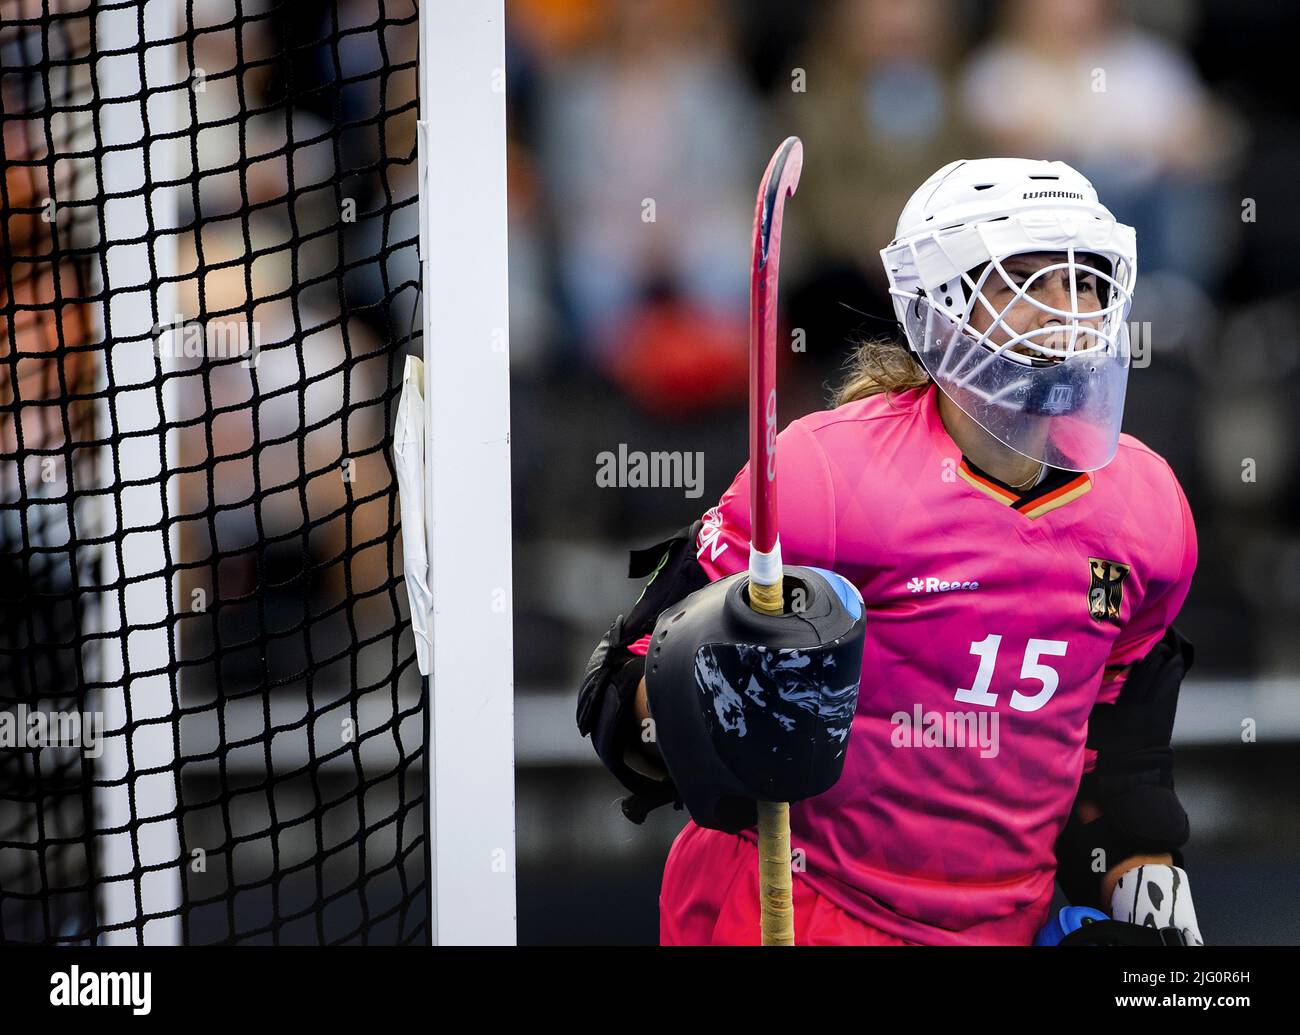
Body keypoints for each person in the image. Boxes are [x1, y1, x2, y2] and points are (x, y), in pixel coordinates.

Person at [577, 157, 1204, 946]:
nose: (1068, 312)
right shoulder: (824, 474)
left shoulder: (1150, 511)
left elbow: (1123, 744)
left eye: (1086, 282)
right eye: (1028, 279)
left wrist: (1142, 875)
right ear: (941, 305)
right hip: (809, 908)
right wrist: (713, 695)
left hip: (1007, 926)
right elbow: (615, 694)